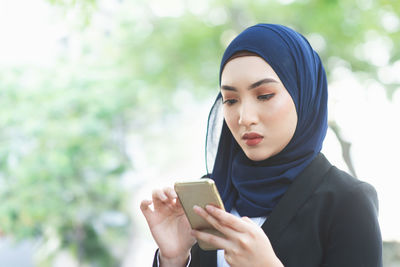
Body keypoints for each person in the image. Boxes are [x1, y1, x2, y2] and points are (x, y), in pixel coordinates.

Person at [140, 24, 382, 267]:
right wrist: (173, 259)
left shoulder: (347, 202)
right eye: (231, 100)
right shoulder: (215, 194)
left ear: (303, 95)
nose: (244, 117)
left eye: (264, 95)